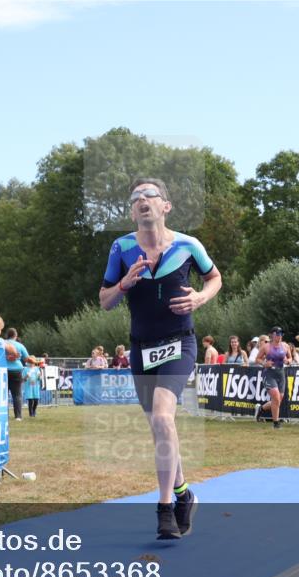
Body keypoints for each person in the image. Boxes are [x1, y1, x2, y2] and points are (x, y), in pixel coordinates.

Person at [98, 177, 222, 539]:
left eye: (149, 194)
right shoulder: (120, 249)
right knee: (159, 427)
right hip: (141, 347)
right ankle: (184, 494)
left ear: (165, 206)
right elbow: (104, 302)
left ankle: (165, 507)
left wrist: (200, 297)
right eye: (135, 197)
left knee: (164, 419)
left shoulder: (188, 245)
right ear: (132, 210)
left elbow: (215, 278)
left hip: (178, 343)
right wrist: (123, 285)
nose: (141, 200)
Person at [253, 327, 293, 428]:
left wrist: (288, 361)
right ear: (272, 335)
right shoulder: (266, 347)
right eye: (277, 334)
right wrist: (264, 363)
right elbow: (257, 359)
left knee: (278, 399)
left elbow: (290, 357)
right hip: (269, 374)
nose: (279, 336)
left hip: (280, 374)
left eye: (281, 334)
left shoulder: (285, 346)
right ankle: (276, 423)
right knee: (275, 397)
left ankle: (261, 409)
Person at [5, 327, 31, 421]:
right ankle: (18, 416)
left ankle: (4, 415)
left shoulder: (2, 343)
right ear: (15, 336)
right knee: (17, 394)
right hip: (16, 371)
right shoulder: (20, 345)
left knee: (4, 394)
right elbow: (26, 359)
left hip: (4, 370)